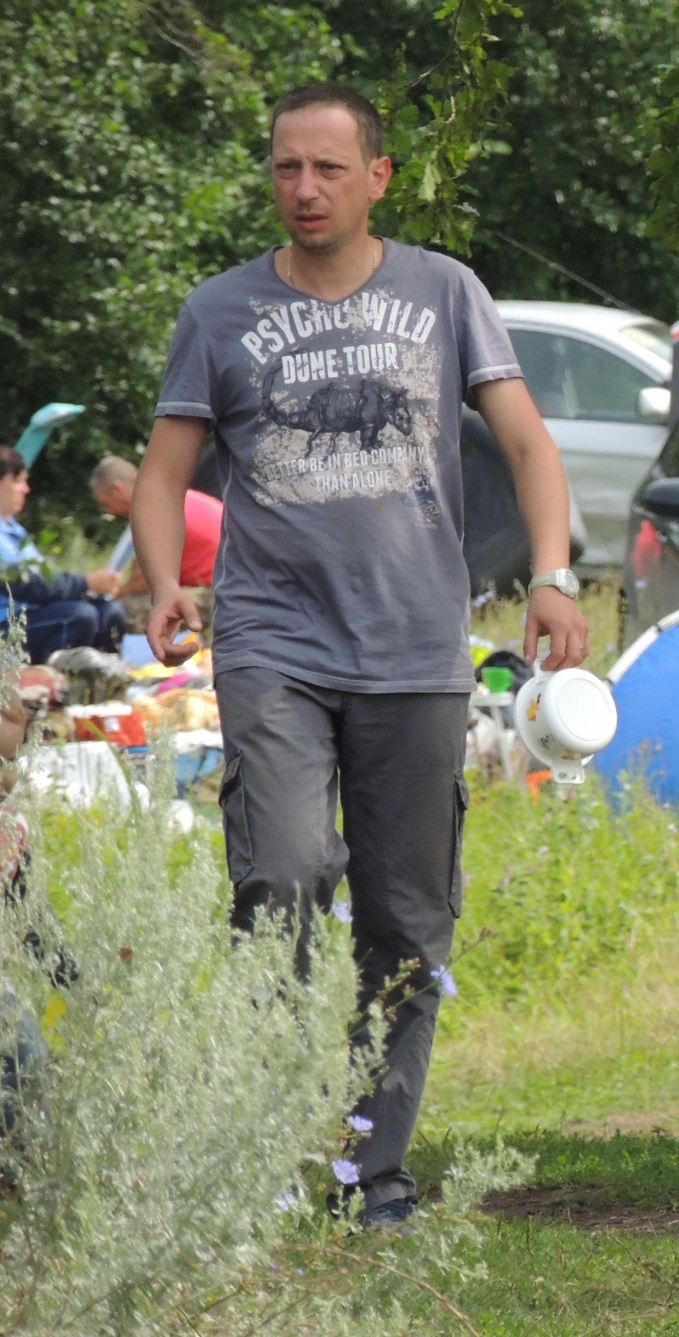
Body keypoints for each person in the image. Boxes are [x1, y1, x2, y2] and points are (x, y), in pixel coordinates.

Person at [130, 82, 588, 1230]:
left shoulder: (444, 292)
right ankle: (267, 1134)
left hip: (416, 651)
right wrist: (167, 580)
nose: (306, 188)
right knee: (280, 874)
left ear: (377, 177)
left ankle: (369, 1169)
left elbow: (527, 442)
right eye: (287, 167)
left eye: (329, 168)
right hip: (273, 643)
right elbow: (162, 474)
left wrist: (553, 574)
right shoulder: (220, 310)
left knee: (405, 921)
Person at [0, 446, 126, 663]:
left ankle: (107, 676)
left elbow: (44, 580)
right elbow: (28, 585)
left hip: (31, 615)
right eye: (18, 481)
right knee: (79, 616)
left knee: (109, 612)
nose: (26, 489)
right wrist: (86, 583)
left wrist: (87, 589)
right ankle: (57, 677)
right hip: (8, 625)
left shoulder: (12, 528)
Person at [92, 454, 223, 633]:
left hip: (214, 595)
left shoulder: (150, 510)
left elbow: (145, 582)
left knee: (114, 613)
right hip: (236, 585)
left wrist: (114, 595)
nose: (109, 511)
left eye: (106, 504)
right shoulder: (173, 495)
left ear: (117, 490)